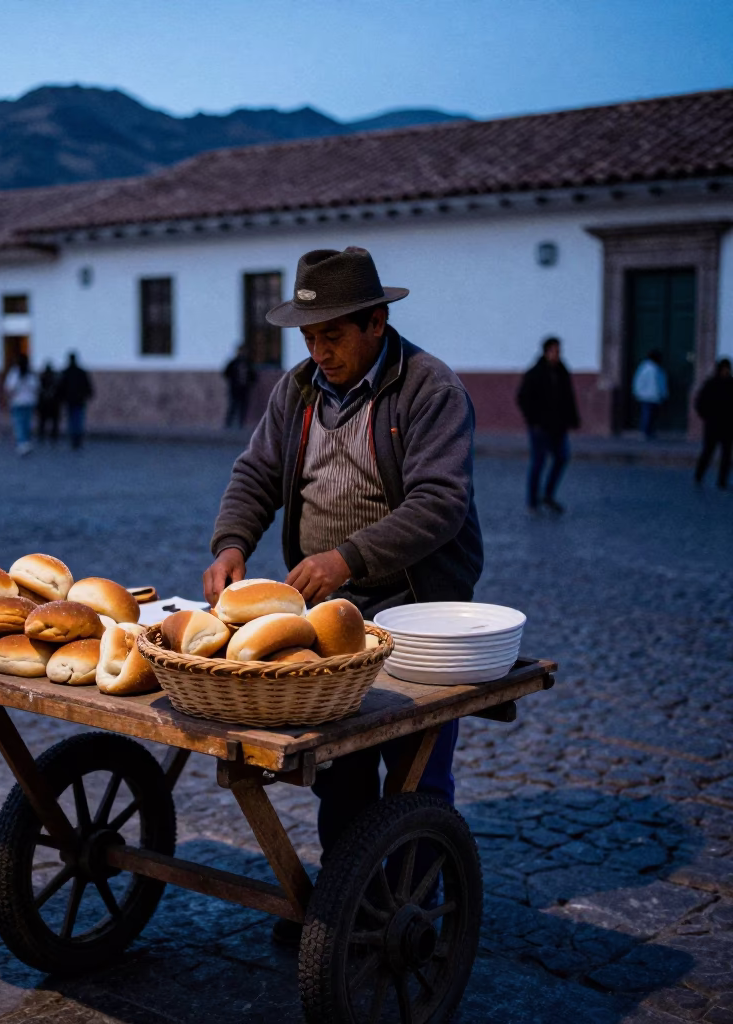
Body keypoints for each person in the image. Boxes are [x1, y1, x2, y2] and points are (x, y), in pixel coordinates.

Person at [203, 247, 483, 945]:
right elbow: (257, 474)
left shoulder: (429, 390)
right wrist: (231, 544)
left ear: (377, 323)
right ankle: (343, 901)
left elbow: (439, 503)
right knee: (342, 765)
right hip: (329, 616)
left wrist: (347, 557)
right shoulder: (296, 391)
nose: (318, 350)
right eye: (308, 336)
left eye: (332, 334)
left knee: (416, 770)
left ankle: (410, 906)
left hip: (419, 605)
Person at [516, 337, 580, 513]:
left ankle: (548, 495)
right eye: (554, 351)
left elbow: (568, 397)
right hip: (540, 427)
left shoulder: (562, 371)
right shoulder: (535, 373)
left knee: (562, 457)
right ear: (546, 352)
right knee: (538, 461)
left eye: (559, 351)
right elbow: (523, 398)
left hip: (558, 426)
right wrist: (533, 420)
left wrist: (572, 419)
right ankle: (532, 501)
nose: (557, 354)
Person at [693, 357, 733, 489]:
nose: (726, 371)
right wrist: (707, 416)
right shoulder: (710, 384)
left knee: (726, 454)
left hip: (727, 425)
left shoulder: (731, 384)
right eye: (724, 369)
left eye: (727, 369)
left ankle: (722, 481)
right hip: (713, 424)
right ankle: (699, 475)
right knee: (708, 451)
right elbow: (700, 403)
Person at [3, 352, 39, 455]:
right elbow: (35, 387)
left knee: (19, 423)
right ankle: (26, 442)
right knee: (27, 422)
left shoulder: (14, 373)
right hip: (29, 401)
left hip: (17, 402)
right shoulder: (30, 374)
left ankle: (22, 443)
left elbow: (9, 387)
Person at [58, 352, 94, 449]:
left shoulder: (66, 372)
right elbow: (87, 385)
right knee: (78, 420)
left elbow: (61, 387)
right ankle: (77, 438)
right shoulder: (80, 372)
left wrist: (61, 398)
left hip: (71, 400)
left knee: (72, 420)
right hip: (79, 400)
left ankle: (74, 438)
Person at [632, 349, 668, 439]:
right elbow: (655, 384)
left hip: (652, 396)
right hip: (649, 396)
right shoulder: (649, 368)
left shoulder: (651, 368)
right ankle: (645, 432)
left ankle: (649, 431)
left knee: (651, 415)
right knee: (647, 415)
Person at [222, 345, 258, 428]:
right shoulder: (234, 362)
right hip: (235, 388)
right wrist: (233, 381)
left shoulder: (248, 363)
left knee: (243, 407)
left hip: (244, 389)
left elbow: (253, 375)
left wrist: (249, 382)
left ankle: (240, 424)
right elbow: (226, 373)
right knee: (233, 406)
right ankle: (228, 424)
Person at [37, 360, 61, 442]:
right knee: (52, 421)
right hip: (51, 404)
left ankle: (42, 436)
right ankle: (53, 436)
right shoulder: (53, 379)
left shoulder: (43, 378)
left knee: (43, 421)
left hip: (47, 404)